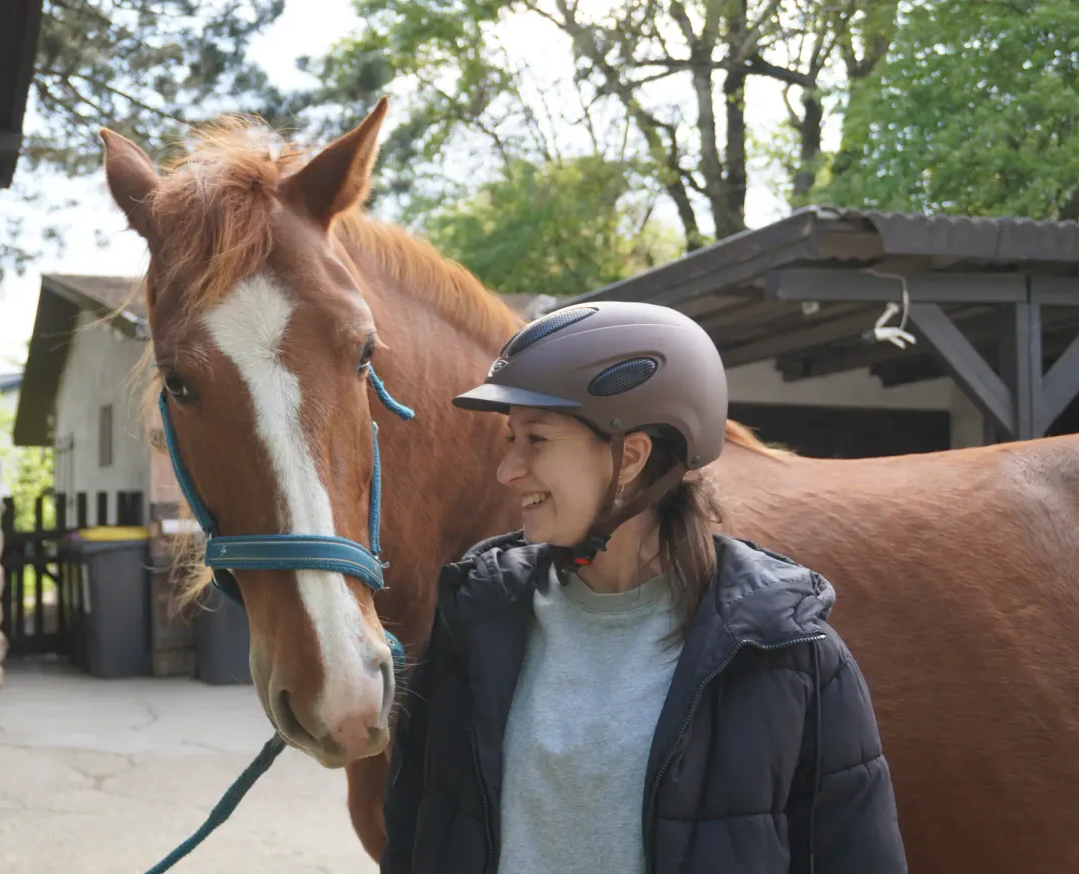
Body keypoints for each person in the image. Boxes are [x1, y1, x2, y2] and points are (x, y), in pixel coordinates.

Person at [379, 301, 907, 874]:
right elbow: (413, 837)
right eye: (511, 440)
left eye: (536, 440)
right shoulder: (470, 624)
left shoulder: (788, 655)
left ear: (629, 456)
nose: (508, 470)